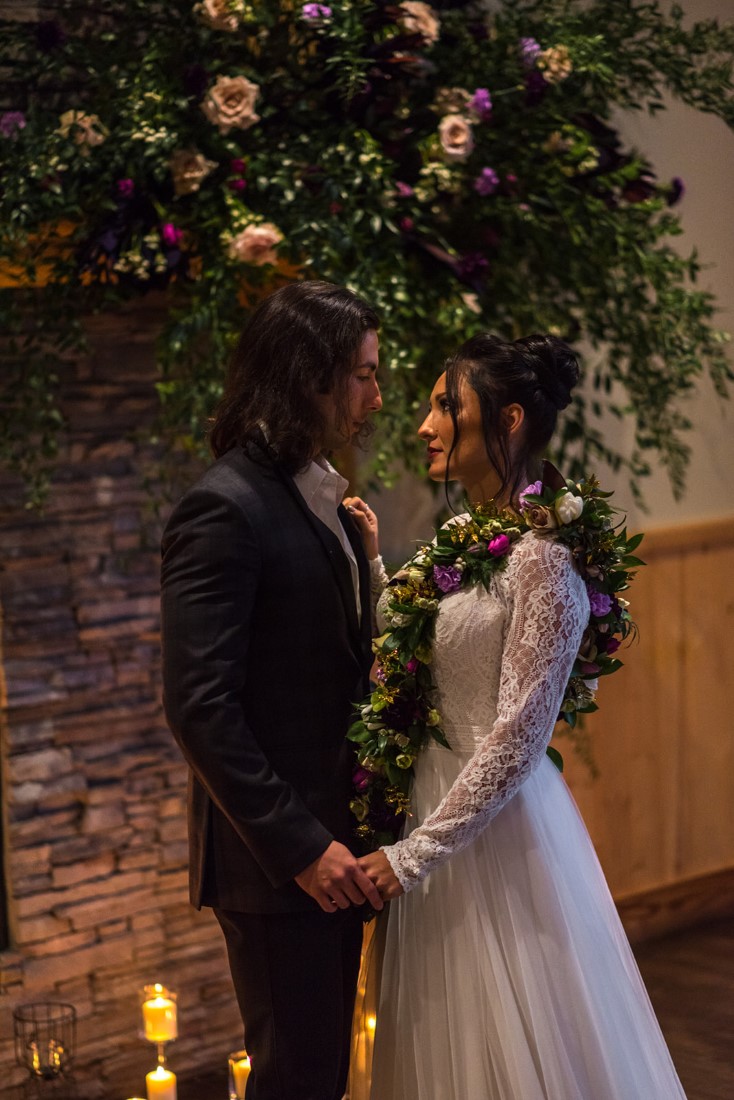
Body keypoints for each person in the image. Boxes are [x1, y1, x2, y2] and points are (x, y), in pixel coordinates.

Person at [349, 333, 686, 1099]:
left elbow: (519, 735)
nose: (425, 426)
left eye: (446, 406)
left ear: (505, 421)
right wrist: (370, 561)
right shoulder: (466, 542)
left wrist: (412, 855)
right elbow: (417, 656)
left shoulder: (543, 560)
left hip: (496, 836)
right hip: (434, 813)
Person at [160, 280, 385, 1100]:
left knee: (319, 1077)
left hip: (332, 850)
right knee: (295, 1081)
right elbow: (198, 704)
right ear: (308, 375)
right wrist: (301, 847)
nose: (376, 396)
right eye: (362, 374)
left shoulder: (313, 487)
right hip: (283, 865)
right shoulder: (224, 508)